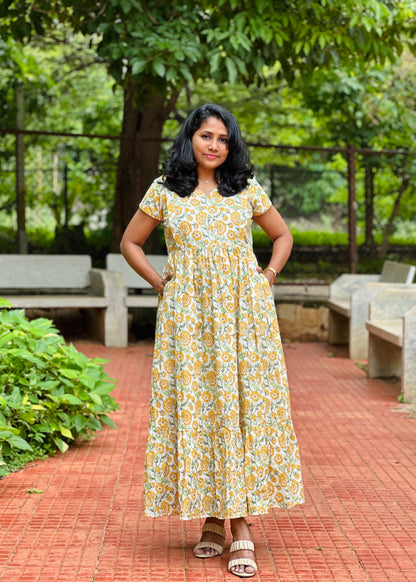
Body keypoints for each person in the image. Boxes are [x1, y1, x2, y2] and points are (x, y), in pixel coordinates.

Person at [120, 103, 304, 578]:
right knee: (202, 408)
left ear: (231, 145)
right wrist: (162, 284)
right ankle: (212, 518)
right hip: (189, 319)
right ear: (190, 139)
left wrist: (267, 277)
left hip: (244, 317)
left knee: (237, 407)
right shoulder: (165, 190)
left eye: (223, 139)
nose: (214, 146)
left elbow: (281, 236)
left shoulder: (243, 188)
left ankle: (238, 526)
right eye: (206, 136)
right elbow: (130, 243)